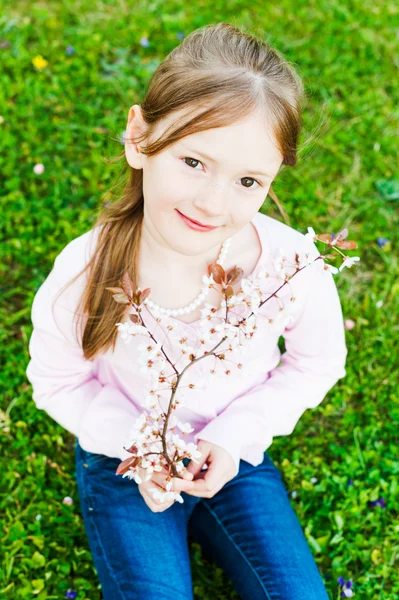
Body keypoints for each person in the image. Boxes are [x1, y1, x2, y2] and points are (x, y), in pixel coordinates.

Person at [26, 22, 348, 600]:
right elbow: (56, 383)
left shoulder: (291, 265)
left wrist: (232, 438)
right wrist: (141, 446)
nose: (212, 202)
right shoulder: (85, 271)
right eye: (194, 162)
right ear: (139, 136)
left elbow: (315, 364)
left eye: (248, 180)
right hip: (126, 457)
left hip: (235, 454)